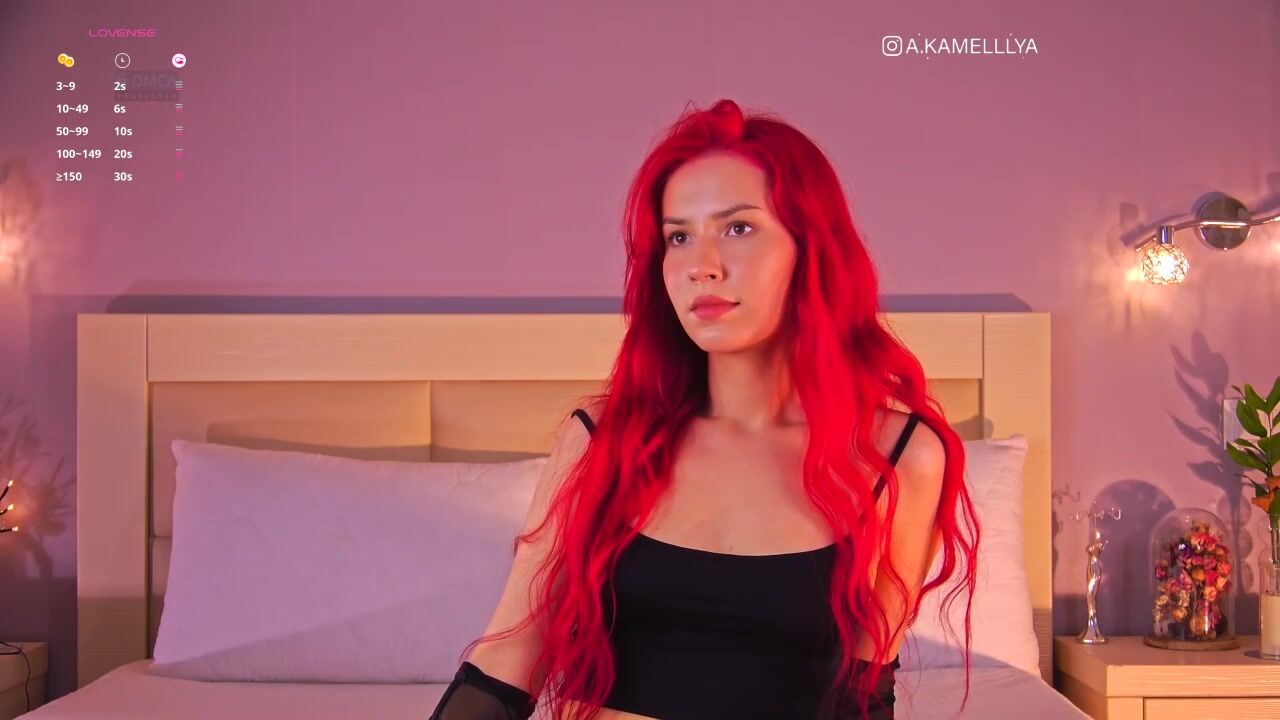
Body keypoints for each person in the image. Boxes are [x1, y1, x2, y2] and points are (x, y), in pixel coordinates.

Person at [429, 99, 979, 720]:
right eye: (678, 237)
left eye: (738, 228)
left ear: (811, 247)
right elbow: (508, 658)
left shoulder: (898, 458)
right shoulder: (602, 438)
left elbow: (864, 691)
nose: (701, 266)